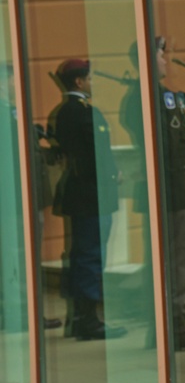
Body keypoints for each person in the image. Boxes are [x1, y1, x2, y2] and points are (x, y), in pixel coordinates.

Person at [119, 37, 185, 351]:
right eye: (162, 54)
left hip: (159, 188)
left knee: (163, 259)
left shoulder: (138, 96)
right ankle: (175, 326)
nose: (166, 60)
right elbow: (170, 141)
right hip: (171, 190)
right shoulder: (156, 97)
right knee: (178, 259)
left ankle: (161, 326)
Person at [47, 59, 126, 341]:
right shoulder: (80, 112)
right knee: (91, 256)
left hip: (84, 192)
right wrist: (112, 175)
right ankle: (88, 320)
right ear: (79, 82)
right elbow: (96, 156)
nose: (94, 82)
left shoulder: (64, 112)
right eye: (90, 78)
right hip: (92, 194)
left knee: (84, 255)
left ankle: (80, 317)